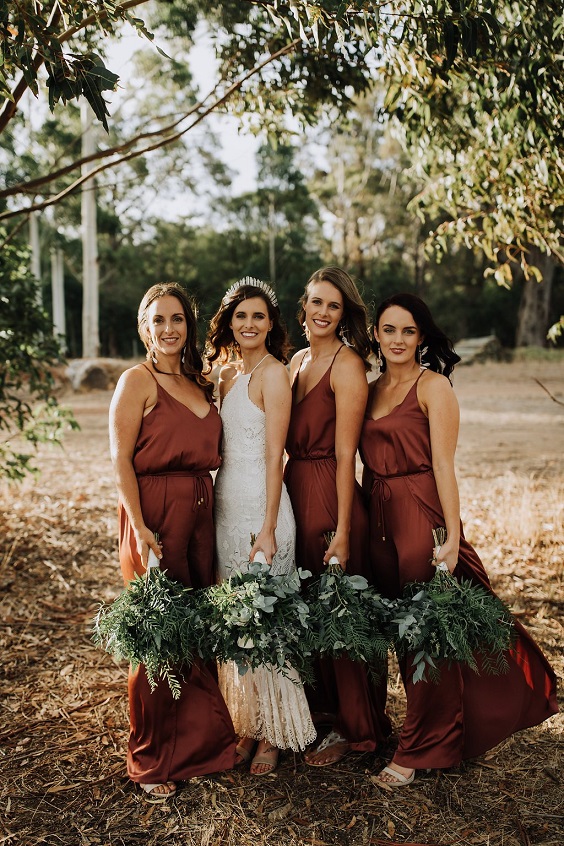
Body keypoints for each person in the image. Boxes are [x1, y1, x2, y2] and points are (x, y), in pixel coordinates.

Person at [360, 292, 558, 787]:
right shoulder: (369, 387)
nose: (398, 339)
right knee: (402, 633)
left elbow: (445, 465)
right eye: (388, 330)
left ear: (422, 336)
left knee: (426, 631)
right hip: (378, 517)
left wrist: (450, 536)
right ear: (376, 336)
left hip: (421, 515)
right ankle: (440, 731)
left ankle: (420, 749)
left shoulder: (434, 388)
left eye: (408, 331)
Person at [109, 282, 238, 803]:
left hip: (202, 512)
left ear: (189, 325)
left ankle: (199, 747)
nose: (168, 329)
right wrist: (139, 527)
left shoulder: (200, 383)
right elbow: (119, 460)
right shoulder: (135, 381)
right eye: (157, 319)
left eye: (177, 319)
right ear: (144, 327)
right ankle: (152, 756)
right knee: (158, 633)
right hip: (155, 514)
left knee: (196, 627)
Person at [206, 277, 316, 775]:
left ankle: (276, 734)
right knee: (237, 623)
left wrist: (270, 528)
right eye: (241, 316)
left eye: (259, 317)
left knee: (267, 623)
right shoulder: (226, 375)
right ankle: (248, 725)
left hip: (263, 511)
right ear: (229, 321)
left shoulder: (274, 375)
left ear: (272, 325)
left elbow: (276, 457)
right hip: (226, 510)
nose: (249, 324)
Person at [284, 266, 392, 767]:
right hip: (294, 492)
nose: (322, 312)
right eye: (315, 302)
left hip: (331, 496)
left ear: (344, 312)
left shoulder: (347, 365)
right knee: (309, 612)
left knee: (340, 611)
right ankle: (323, 717)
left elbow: (348, 454)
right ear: (302, 308)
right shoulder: (297, 361)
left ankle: (358, 727)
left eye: (333, 305)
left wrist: (344, 531)